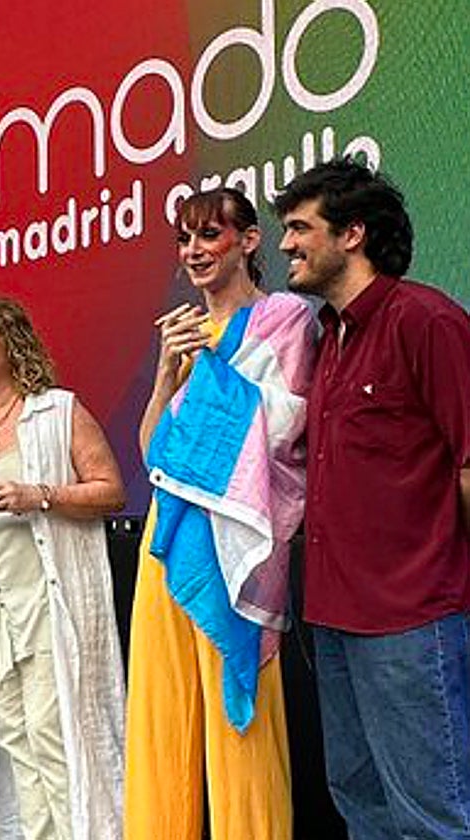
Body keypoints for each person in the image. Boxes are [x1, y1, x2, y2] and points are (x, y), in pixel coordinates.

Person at [274, 158, 470, 839]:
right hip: (333, 619)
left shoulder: (427, 320)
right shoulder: (327, 340)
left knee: (432, 817)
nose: (287, 244)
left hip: (412, 619)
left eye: (300, 228)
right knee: (363, 809)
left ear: (352, 233)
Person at [124, 188, 316, 840]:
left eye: (209, 235)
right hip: (169, 533)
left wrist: (206, 369)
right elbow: (153, 454)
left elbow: (286, 425)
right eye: (185, 239)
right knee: (162, 714)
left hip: (239, 541)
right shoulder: (182, 333)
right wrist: (166, 372)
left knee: (244, 725)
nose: (194, 251)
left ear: (249, 241)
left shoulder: (283, 319)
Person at [0, 296, 127, 839]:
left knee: (55, 736)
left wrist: (38, 495)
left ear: (12, 345)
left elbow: (111, 491)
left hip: (46, 603)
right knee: (14, 736)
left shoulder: (57, 410)